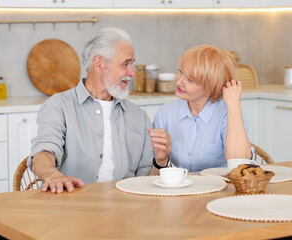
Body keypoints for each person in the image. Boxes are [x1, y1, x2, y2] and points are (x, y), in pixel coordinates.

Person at [28, 27, 171, 194]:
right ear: (99, 63)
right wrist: (52, 175)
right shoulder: (59, 106)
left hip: (123, 208)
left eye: (132, 64)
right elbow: (44, 152)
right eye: (125, 64)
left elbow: (145, 182)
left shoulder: (138, 116)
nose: (132, 73)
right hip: (71, 205)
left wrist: (160, 161)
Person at [152, 45, 252, 172]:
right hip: (184, 188)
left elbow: (240, 164)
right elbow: (152, 166)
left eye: (190, 80)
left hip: (223, 187)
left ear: (210, 88)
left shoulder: (227, 113)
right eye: (180, 71)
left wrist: (234, 105)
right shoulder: (165, 113)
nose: (178, 82)